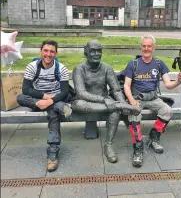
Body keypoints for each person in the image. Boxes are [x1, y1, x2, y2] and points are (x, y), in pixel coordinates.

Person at [72, 40, 140, 163]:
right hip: (87, 102)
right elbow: (81, 93)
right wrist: (107, 101)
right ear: (86, 53)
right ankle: (118, 106)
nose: (96, 54)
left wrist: (121, 102)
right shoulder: (79, 69)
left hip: (106, 103)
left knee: (115, 112)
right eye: (93, 51)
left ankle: (108, 145)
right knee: (78, 104)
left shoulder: (107, 68)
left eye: (99, 51)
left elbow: (116, 90)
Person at [124, 34, 181, 168]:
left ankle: (154, 137)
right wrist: (131, 100)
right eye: (144, 46)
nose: (146, 48)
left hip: (153, 98)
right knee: (133, 115)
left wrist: (178, 81)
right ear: (141, 47)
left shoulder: (159, 64)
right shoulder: (133, 64)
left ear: (153, 47)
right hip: (137, 98)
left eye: (149, 46)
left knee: (167, 111)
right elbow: (126, 86)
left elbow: (168, 85)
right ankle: (138, 149)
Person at [17, 40, 72, 172]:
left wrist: (50, 101)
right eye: (46, 51)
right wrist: (46, 99)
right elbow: (26, 90)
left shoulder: (61, 69)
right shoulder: (32, 67)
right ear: (41, 51)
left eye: (52, 51)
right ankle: (61, 107)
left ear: (56, 53)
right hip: (39, 100)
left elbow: (64, 92)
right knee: (19, 97)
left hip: (54, 98)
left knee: (53, 114)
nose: (48, 54)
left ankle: (53, 154)